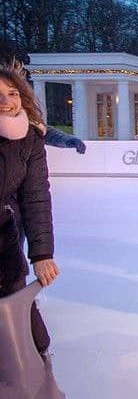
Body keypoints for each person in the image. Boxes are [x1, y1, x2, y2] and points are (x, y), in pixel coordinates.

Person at [0, 65, 60, 360]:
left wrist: (41, 254)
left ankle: (37, 361)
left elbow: (35, 197)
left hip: (6, 235)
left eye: (12, 93)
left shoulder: (30, 139)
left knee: (19, 310)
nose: (7, 102)